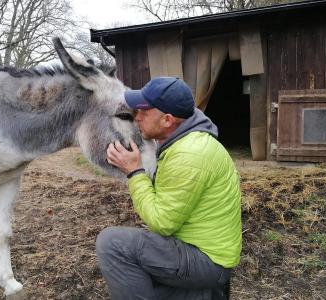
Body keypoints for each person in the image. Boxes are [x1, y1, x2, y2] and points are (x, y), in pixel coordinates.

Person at [97, 76, 242, 300]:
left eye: (144, 111)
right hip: (209, 252)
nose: (137, 117)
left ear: (167, 120)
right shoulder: (188, 140)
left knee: (112, 244)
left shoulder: (188, 155)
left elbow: (162, 223)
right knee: (139, 280)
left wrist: (134, 171)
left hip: (207, 261)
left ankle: (203, 287)